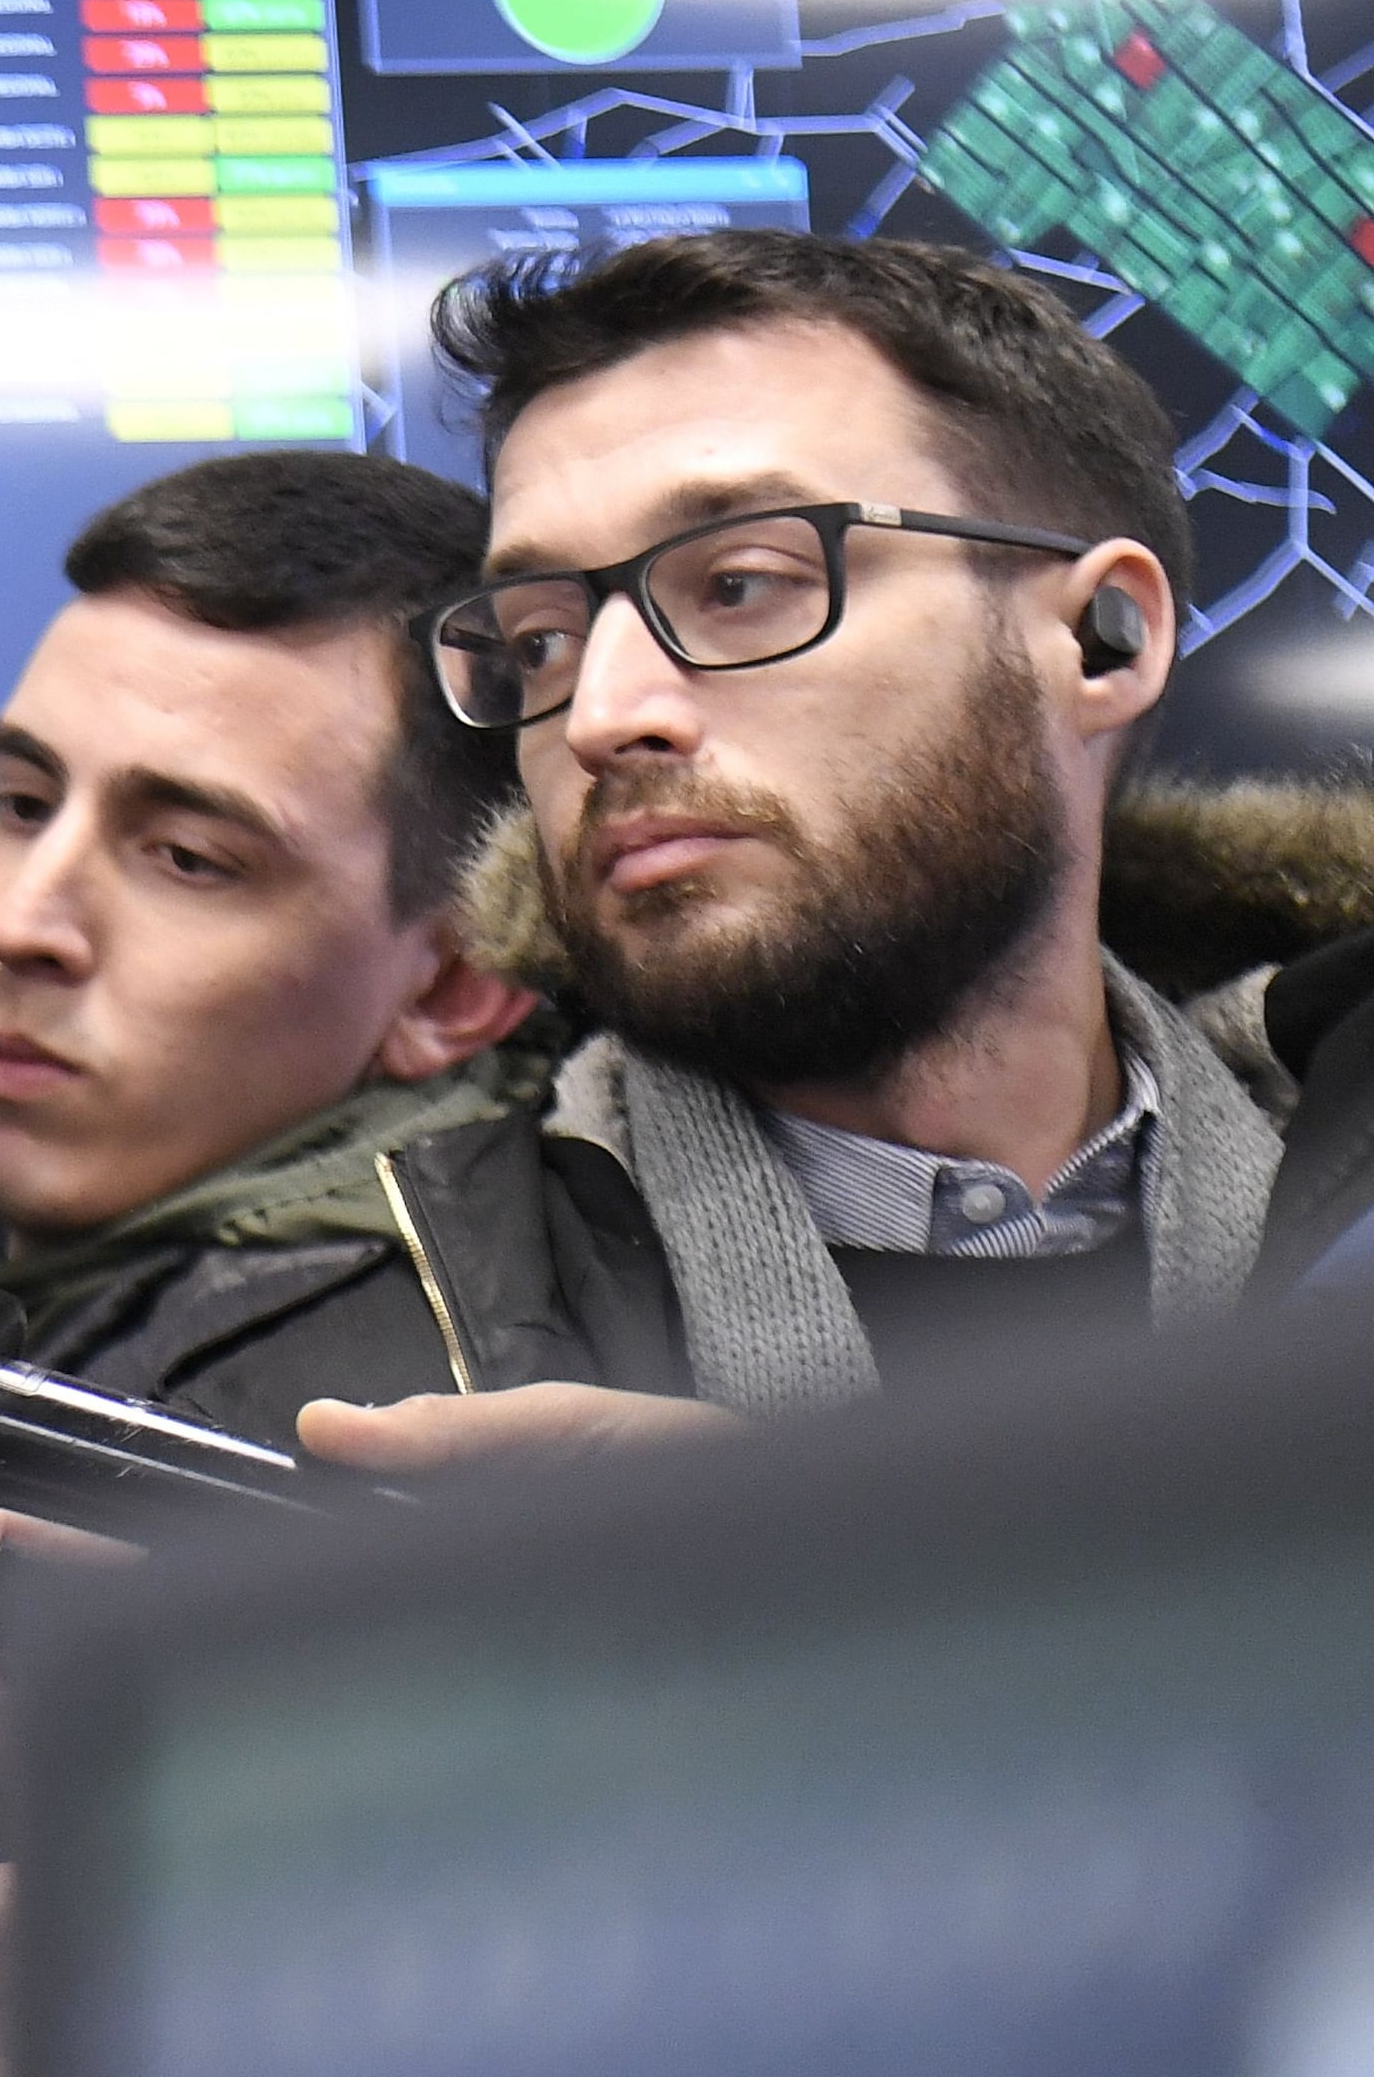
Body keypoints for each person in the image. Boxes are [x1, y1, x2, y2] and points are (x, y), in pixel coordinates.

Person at [298, 231, 1351, 1481]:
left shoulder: (1344, 1175)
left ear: (1098, 643)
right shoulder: (353, 1384)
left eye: (740, 583)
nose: (596, 716)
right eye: (538, 641)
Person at [0, 451, 541, 1441]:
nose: (18, 924)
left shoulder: (316, 1467)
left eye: (185, 858)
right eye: (21, 803)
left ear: (451, 990)